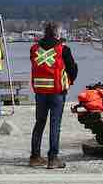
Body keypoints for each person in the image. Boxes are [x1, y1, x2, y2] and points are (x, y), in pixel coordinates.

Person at [28, 21, 78, 169]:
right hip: (57, 92)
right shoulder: (63, 49)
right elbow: (72, 71)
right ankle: (53, 158)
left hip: (40, 91)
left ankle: (35, 157)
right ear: (57, 33)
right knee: (55, 125)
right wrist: (69, 80)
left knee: (39, 123)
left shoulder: (34, 49)